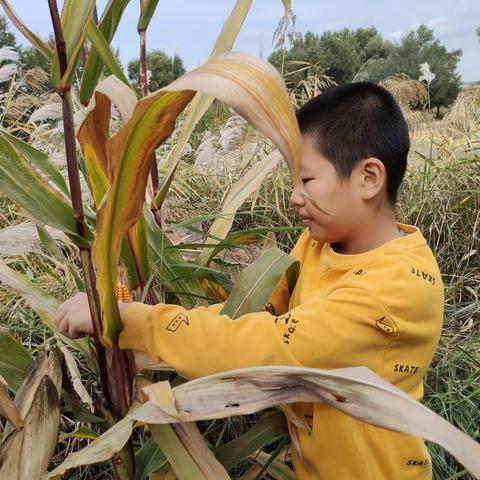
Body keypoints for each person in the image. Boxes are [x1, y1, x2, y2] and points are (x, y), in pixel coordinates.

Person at [56, 82, 444, 479]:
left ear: (368, 178)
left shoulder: (393, 289)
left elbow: (263, 346)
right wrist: (124, 308)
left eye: (306, 181)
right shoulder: (318, 245)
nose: (294, 196)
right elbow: (251, 310)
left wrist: (133, 322)